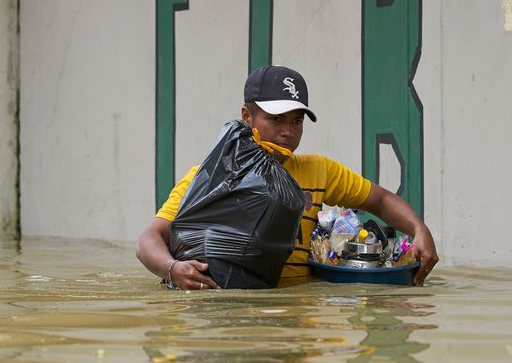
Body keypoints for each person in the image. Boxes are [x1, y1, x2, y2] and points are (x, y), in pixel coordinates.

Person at [136, 65, 439, 289]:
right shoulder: (210, 176)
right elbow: (149, 239)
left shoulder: (319, 170)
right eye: (276, 119)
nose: (288, 132)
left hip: (294, 309)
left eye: (296, 121)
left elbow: (381, 200)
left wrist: (419, 228)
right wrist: (173, 269)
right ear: (247, 116)